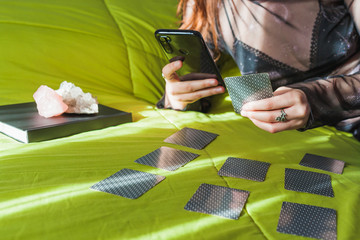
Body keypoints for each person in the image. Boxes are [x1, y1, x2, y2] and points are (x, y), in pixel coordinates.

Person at [158, 0, 360, 140]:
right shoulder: (205, 5)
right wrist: (176, 97)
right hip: (292, 142)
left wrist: (316, 98)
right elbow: (200, 86)